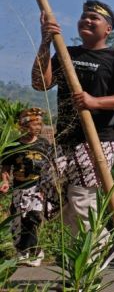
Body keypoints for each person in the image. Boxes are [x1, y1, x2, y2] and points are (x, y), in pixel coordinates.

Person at [33, 0, 114, 270]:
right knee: (52, 194)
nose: (87, 20)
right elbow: (40, 83)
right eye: (84, 16)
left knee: (82, 198)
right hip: (65, 138)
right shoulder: (65, 52)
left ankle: (88, 262)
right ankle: (93, 252)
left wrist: (95, 102)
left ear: (108, 29)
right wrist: (46, 42)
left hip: (99, 138)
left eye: (94, 18)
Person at [1, 108, 52, 267]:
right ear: (23, 127)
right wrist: (5, 182)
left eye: (39, 125)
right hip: (19, 190)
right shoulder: (13, 146)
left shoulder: (43, 144)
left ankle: (35, 252)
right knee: (18, 221)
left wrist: (49, 186)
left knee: (33, 217)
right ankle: (23, 252)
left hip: (37, 189)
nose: (36, 129)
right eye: (32, 126)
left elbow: (50, 165)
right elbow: (5, 167)